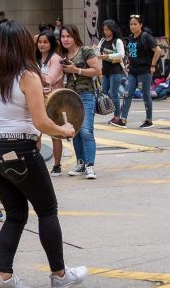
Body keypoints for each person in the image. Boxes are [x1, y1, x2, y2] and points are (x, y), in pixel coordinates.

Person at [0, 21, 85, 288]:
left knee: (15, 215)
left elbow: (10, 110)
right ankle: (60, 275)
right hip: (19, 151)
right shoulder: (28, 75)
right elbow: (41, 122)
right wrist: (64, 130)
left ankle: (3, 277)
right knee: (47, 210)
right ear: (23, 44)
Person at [59, 24, 102, 179]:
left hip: (86, 95)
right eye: (63, 36)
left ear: (75, 36)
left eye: (68, 36)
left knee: (86, 131)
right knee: (75, 132)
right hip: (70, 97)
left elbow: (97, 71)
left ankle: (90, 166)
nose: (65, 39)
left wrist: (76, 70)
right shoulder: (62, 55)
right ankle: (81, 163)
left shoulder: (85, 51)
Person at [118, 15, 162, 128]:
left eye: (135, 24)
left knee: (146, 95)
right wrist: (129, 63)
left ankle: (149, 120)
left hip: (144, 72)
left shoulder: (146, 37)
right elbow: (133, 53)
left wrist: (152, 65)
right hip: (132, 72)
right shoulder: (131, 38)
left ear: (141, 25)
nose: (132, 26)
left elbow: (158, 51)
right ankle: (123, 119)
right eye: (131, 24)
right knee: (127, 94)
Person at [36, 30, 65, 174]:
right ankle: (36, 165)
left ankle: (57, 165)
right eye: (40, 42)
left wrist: (33, 74)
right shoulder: (34, 58)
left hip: (54, 101)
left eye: (45, 42)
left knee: (55, 134)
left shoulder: (56, 59)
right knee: (36, 133)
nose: (42, 44)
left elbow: (49, 79)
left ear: (51, 43)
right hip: (37, 100)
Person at [97, 19, 126, 127]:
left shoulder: (117, 41)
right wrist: (94, 51)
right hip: (106, 70)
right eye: (104, 29)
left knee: (113, 93)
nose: (105, 32)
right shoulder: (103, 40)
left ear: (112, 30)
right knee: (104, 92)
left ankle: (117, 116)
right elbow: (97, 52)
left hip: (116, 70)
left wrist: (107, 56)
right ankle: (114, 113)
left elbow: (121, 55)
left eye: (107, 29)